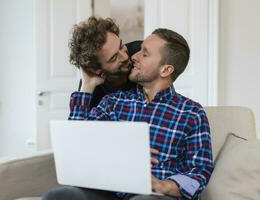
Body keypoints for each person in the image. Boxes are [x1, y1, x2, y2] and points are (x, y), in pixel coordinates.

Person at [65, 28, 214, 200]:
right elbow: (75, 143)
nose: (133, 56)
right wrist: (88, 84)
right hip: (109, 190)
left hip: (153, 195)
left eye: (144, 54)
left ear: (165, 70)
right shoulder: (113, 102)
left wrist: (162, 185)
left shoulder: (191, 113)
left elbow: (200, 171)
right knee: (63, 195)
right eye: (139, 49)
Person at [69, 16, 142, 109]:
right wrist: (87, 86)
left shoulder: (140, 52)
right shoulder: (91, 82)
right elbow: (78, 122)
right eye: (114, 58)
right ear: (96, 69)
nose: (125, 57)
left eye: (121, 46)